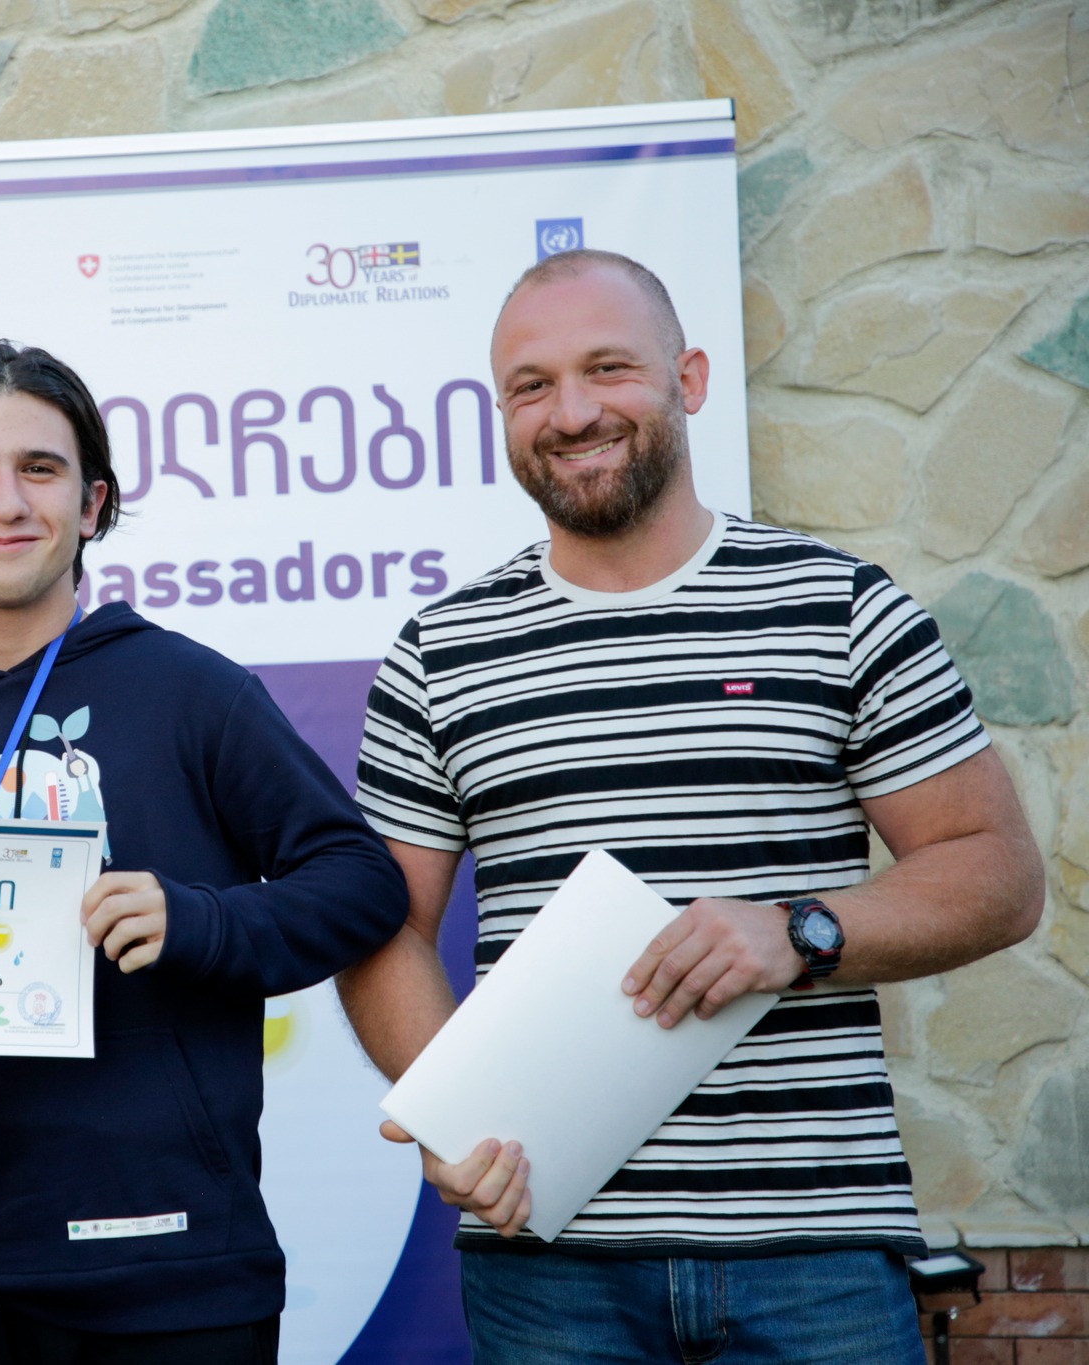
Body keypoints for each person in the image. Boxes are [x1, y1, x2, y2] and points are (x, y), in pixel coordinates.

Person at [338, 250, 1045, 1363]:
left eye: (607, 368)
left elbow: (997, 873)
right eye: (531, 385)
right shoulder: (442, 650)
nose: (572, 411)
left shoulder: (837, 605)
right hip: (548, 1262)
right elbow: (380, 926)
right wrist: (451, 1111)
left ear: (690, 378)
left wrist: (799, 932)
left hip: (811, 1253)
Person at [0, 341, 410, 1364]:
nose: (4, 500)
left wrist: (197, 918)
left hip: (183, 1276)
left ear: (92, 503)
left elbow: (360, 884)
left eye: (40, 468)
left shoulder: (191, 694)